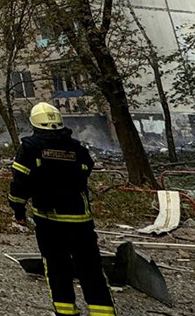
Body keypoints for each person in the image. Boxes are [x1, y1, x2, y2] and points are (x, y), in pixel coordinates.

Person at [8, 102, 116, 316]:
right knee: (91, 269)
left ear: (34, 124)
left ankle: (66, 312)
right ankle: (103, 311)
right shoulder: (76, 147)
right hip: (80, 220)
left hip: (49, 220)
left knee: (57, 269)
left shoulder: (31, 148)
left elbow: (19, 184)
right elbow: (86, 170)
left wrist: (18, 210)